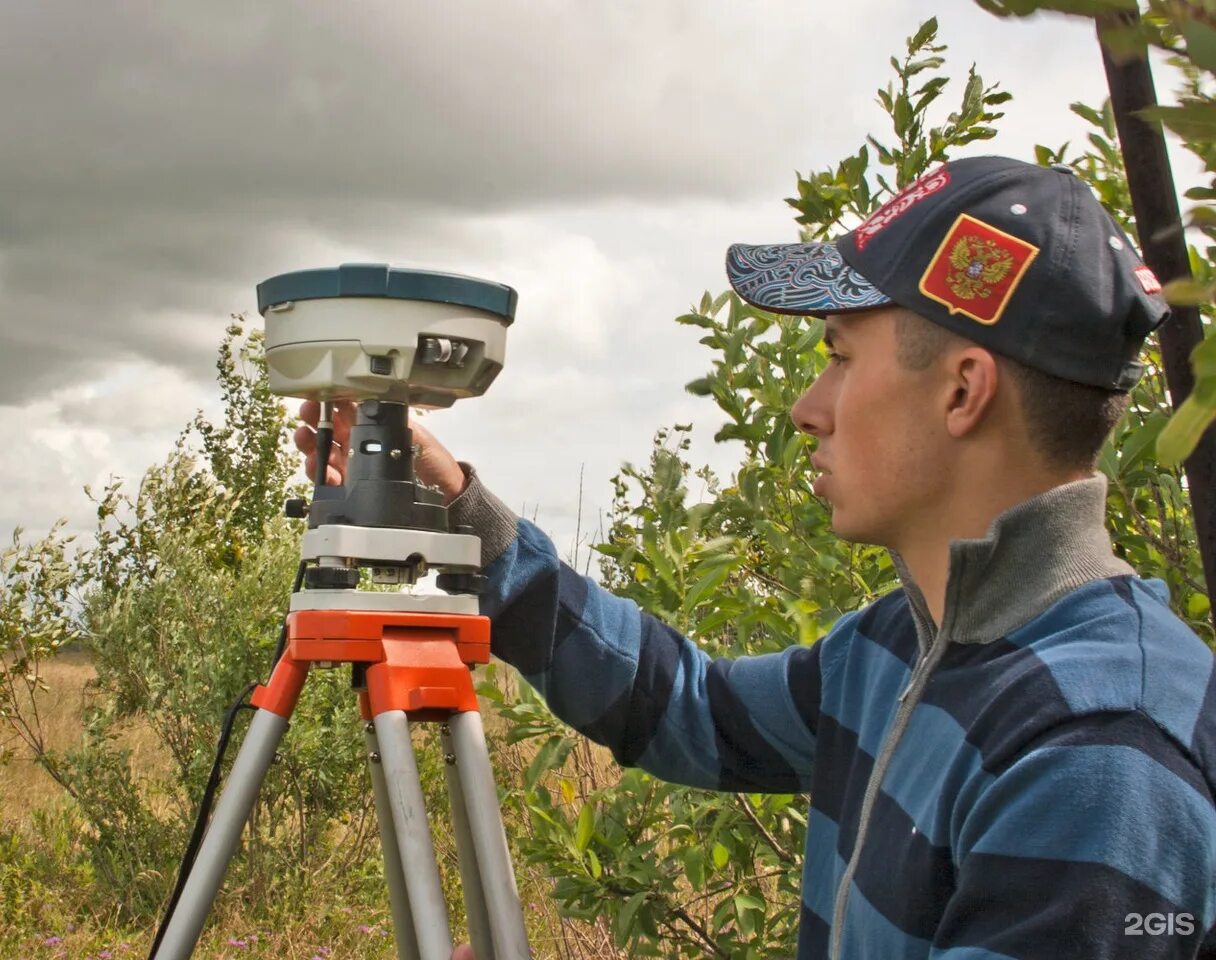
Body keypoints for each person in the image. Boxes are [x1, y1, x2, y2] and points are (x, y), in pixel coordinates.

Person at [294, 156, 1216, 959]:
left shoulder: (1097, 757)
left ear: (963, 390)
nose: (805, 407)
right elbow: (689, 708)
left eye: (841, 357)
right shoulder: (906, 644)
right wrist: (459, 510)